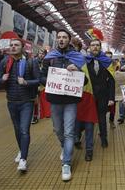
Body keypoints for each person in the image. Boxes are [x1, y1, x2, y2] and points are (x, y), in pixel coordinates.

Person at [41, 29, 87, 181]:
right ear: (57, 40)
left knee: (68, 132)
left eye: (64, 37)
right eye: (59, 37)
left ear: (69, 39)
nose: (61, 39)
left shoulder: (77, 58)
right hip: (55, 100)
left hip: (70, 101)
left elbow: (85, 81)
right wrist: (51, 79)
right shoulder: (50, 57)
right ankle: (64, 146)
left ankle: (66, 163)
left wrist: (78, 71)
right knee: (58, 129)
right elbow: (42, 77)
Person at [0, 37, 40, 172]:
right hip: (11, 102)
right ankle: (21, 150)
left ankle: (23, 159)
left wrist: (26, 82)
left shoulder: (31, 62)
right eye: (11, 45)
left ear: (22, 47)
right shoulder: (5, 62)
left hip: (27, 101)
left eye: (16, 45)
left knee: (24, 130)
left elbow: (38, 80)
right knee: (17, 129)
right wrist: (1, 79)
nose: (13, 47)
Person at [85, 39, 115, 148]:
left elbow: (112, 80)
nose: (95, 47)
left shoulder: (107, 61)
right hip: (90, 95)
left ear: (100, 47)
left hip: (103, 95)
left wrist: (111, 97)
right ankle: (87, 142)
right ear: (89, 48)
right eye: (93, 45)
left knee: (102, 118)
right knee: (88, 119)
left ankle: (104, 138)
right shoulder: (85, 61)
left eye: (97, 45)